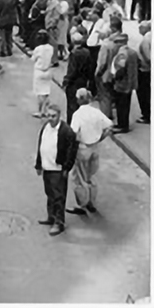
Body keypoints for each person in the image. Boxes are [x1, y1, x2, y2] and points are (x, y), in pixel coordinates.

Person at [67, 88, 114, 216]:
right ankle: (92, 202)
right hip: (95, 147)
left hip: (83, 148)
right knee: (92, 176)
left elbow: (74, 134)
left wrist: (71, 150)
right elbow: (109, 126)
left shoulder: (77, 115)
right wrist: (101, 138)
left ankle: (82, 204)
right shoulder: (96, 112)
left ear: (78, 99)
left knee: (80, 178)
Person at [33, 104, 77, 236]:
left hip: (57, 169)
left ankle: (59, 222)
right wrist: (39, 164)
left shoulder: (66, 131)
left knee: (58, 196)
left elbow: (71, 151)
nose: (50, 118)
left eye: (53, 116)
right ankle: (51, 216)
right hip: (47, 167)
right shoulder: (45, 128)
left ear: (59, 115)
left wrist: (66, 168)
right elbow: (40, 146)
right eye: (48, 115)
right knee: (50, 193)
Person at [105, 33, 138, 133]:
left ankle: (122, 125)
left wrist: (115, 77)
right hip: (130, 82)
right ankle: (123, 124)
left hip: (122, 84)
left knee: (121, 105)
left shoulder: (122, 53)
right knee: (125, 105)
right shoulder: (132, 52)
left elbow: (121, 69)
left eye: (116, 42)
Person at [30, 31, 55, 117]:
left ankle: (40, 111)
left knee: (39, 93)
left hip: (39, 70)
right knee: (46, 91)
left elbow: (33, 59)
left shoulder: (38, 49)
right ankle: (46, 109)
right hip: (48, 70)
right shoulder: (51, 48)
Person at [135, 21, 152, 125]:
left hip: (144, 69)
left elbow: (147, 55)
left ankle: (146, 115)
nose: (139, 30)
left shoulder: (146, 39)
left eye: (140, 28)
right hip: (147, 68)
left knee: (143, 93)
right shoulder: (150, 36)